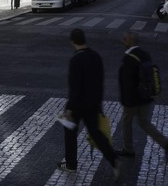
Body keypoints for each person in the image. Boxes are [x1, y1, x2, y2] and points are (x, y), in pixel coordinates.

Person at [57, 27, 119, 180]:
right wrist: (99, 106)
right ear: (84, 39)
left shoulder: (76, 59)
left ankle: (71, 164)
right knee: (96, 134)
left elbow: (75, 87)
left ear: (72, 41)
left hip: (78, 105)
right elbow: (100, 83)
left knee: (69, 131)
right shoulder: (96, 56)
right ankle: (114, 159)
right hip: (93, 104)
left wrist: (69, 108)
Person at [116, 31, 168, 160]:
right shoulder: (145, 54)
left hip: (133, 100)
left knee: (126, 122)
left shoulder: (129, 59)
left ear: (130, 41)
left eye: (125, 39)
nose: (123, 41)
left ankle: (128, 149)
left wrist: (125, 102)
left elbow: (127, 84)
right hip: (146, 97)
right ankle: (166, 144)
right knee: (145, 124)